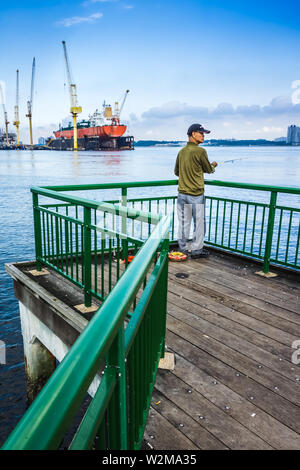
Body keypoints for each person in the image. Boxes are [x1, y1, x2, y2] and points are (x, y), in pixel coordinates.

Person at [174, 123, 218, 259]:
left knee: (183, 223)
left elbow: (176, 172)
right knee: (199, 223)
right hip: (196, 195)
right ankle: (197, 250)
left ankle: (182, 249)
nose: (203, 136)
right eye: (201, 133)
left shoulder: (181, 152)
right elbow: (209, 170)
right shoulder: (201, 151)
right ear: (193, 134)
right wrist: (214, 165)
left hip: (182, 194)